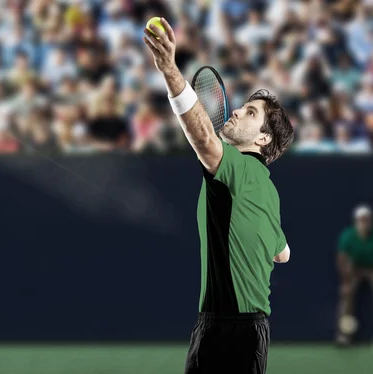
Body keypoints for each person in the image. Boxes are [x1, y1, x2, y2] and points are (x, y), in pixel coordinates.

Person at [143, 18, 294, 374]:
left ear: (263, 139)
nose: (238, 110)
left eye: (251, 113)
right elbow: (283, 253)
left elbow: (204, 140)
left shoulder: (240, 171)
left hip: (227, 330)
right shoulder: (267, 190)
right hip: (251, 333)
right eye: (244, 106)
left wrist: (169, 70)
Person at [336, 205, 373, 347]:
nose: (364, 223)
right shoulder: (347, 236)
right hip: (354, 270)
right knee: (346, 292)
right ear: (356, 221)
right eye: (361, 220)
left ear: (371, 221)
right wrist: (347, 281)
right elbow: (342, 259)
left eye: (367, 220)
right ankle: (344, 334)